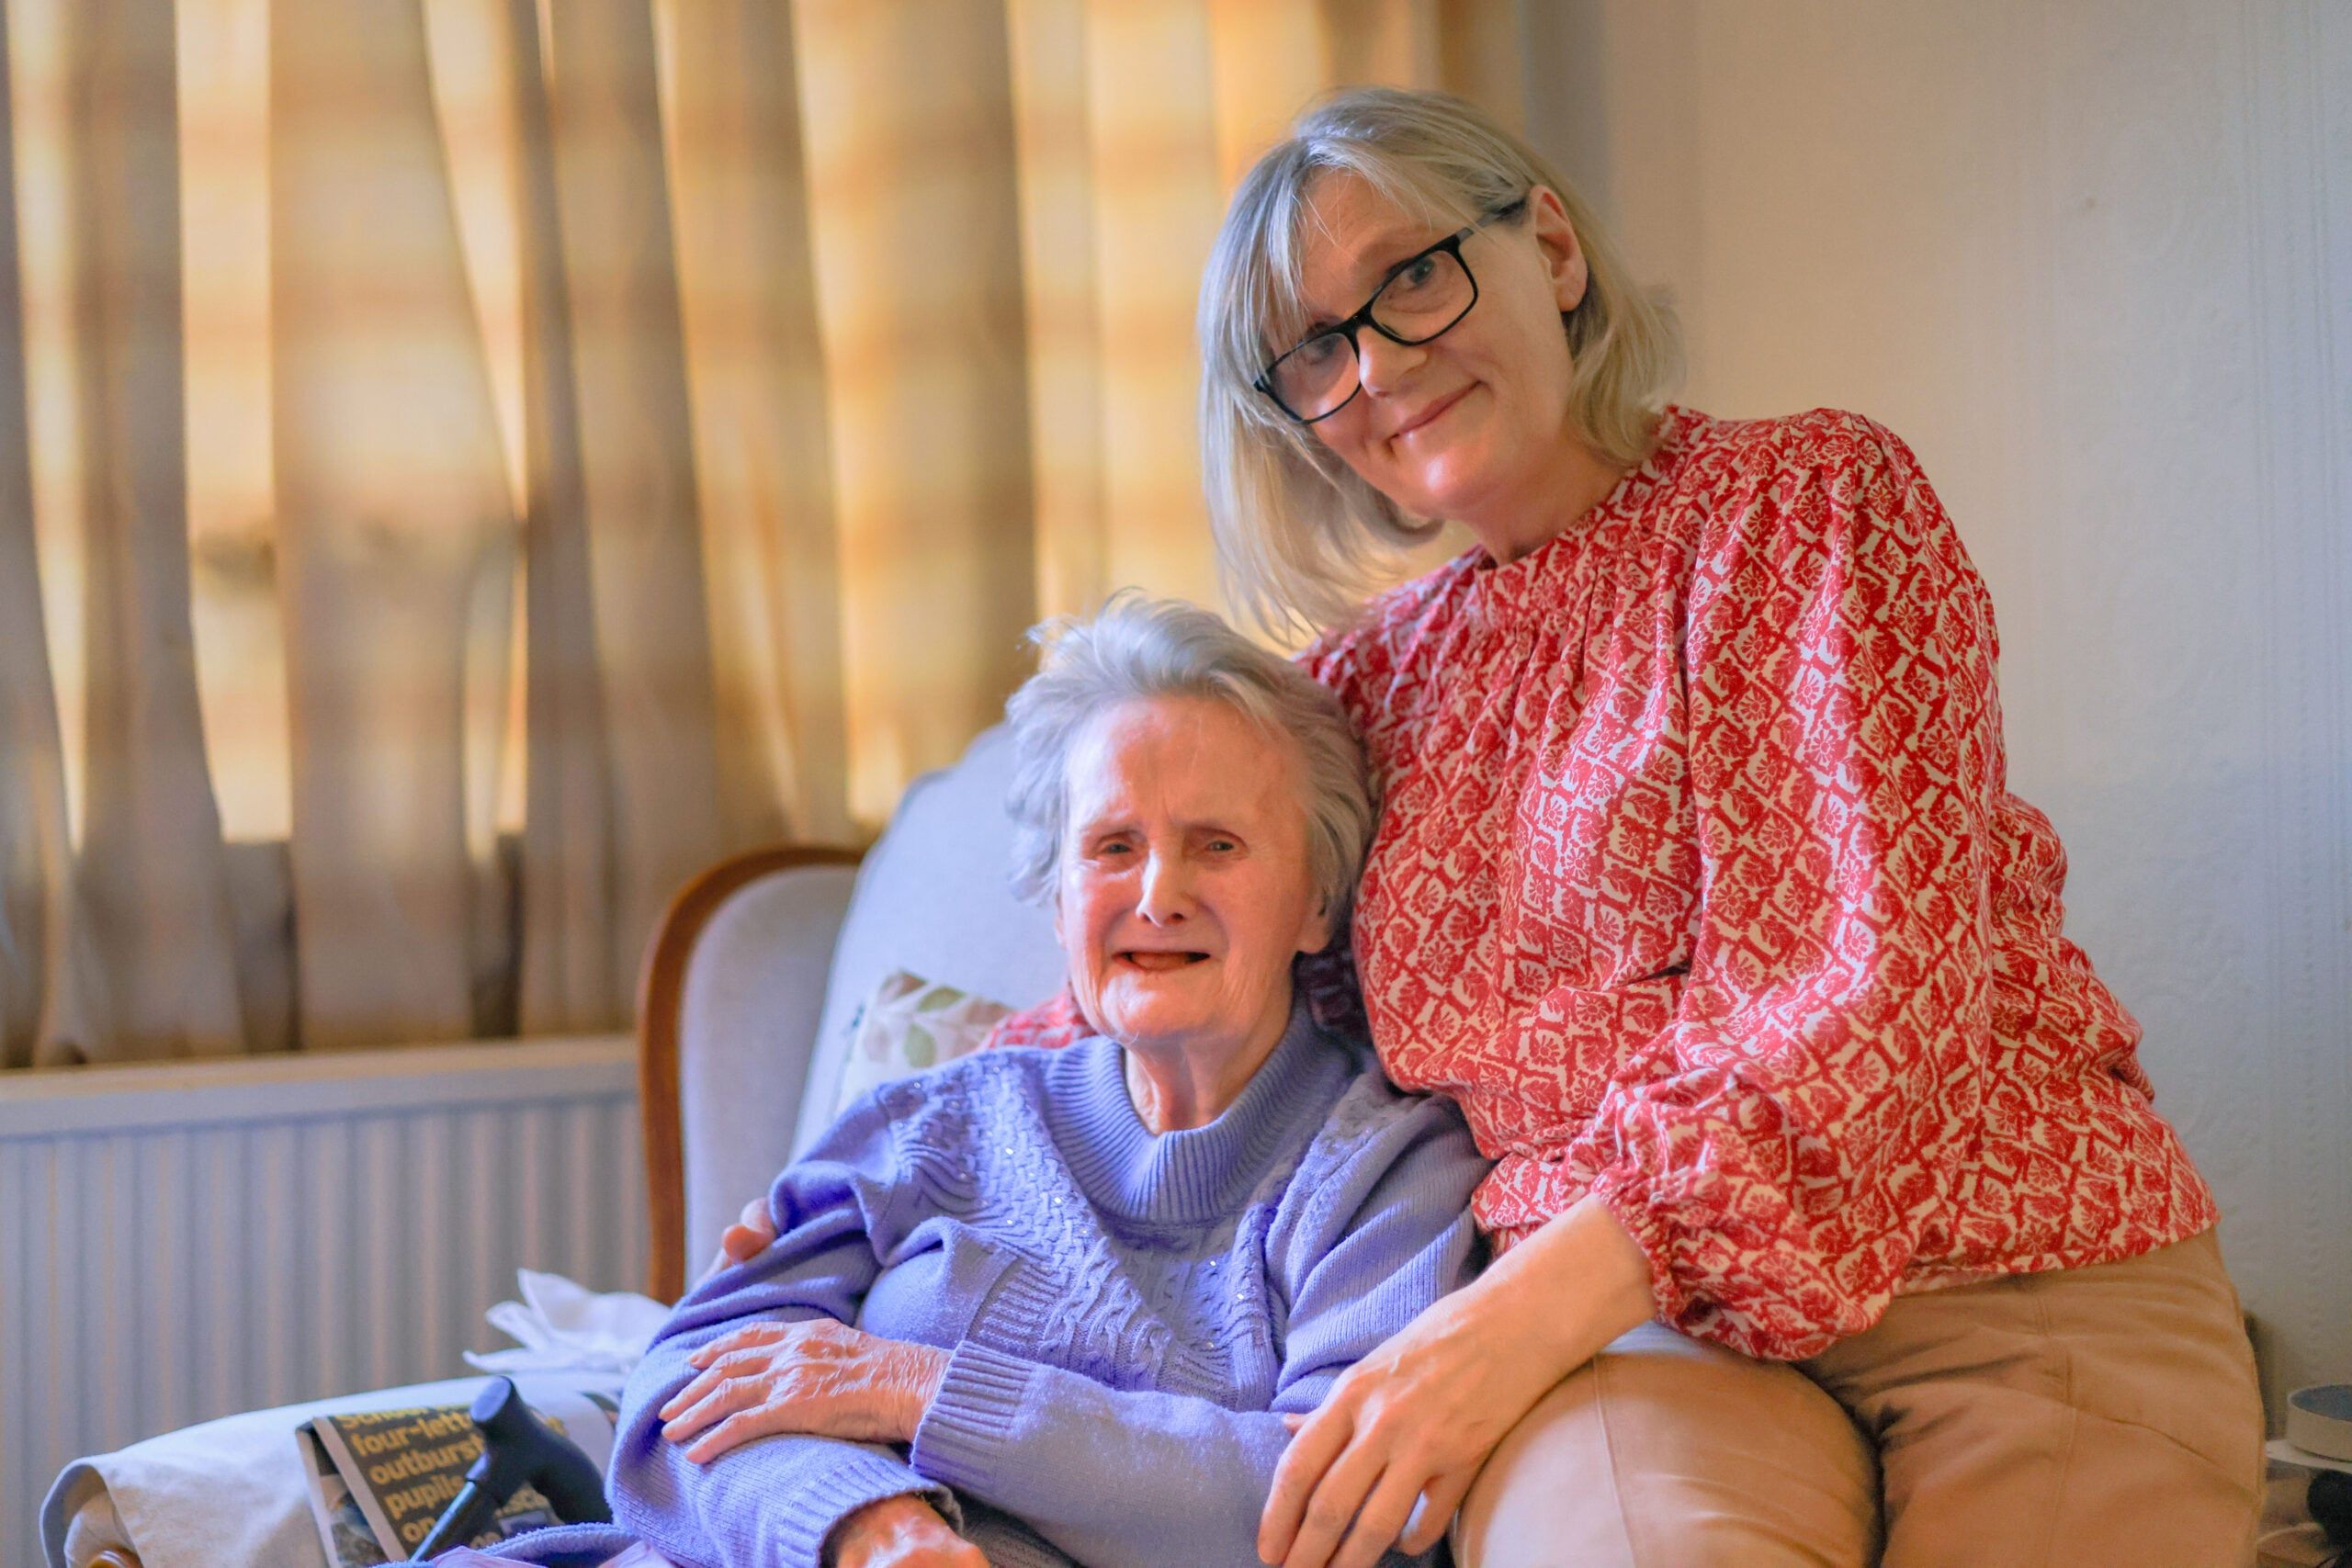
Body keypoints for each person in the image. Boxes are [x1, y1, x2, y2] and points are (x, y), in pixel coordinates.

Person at [721, 85, 2264, 1566]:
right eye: (1311, 351)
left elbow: (1875, 994)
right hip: (1640, 1343)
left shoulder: (1808, 506)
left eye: (1407, 279)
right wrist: (874, 1174)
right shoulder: (1362, 690)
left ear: (1553, 248)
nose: (1374, 365)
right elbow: (1186, 959)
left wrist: (1501, 1324)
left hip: (2007, 1268)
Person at [453, 593, 1488, 1568]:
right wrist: (870, 1528)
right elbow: (684, 1391)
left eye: (1216, 846)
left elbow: (1338, 1500)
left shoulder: (1383, 1173)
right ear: (1057, 902)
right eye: (1112, 846)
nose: (1157, 894)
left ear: (1317, 904)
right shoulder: (944, 1119)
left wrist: (919, 1391)